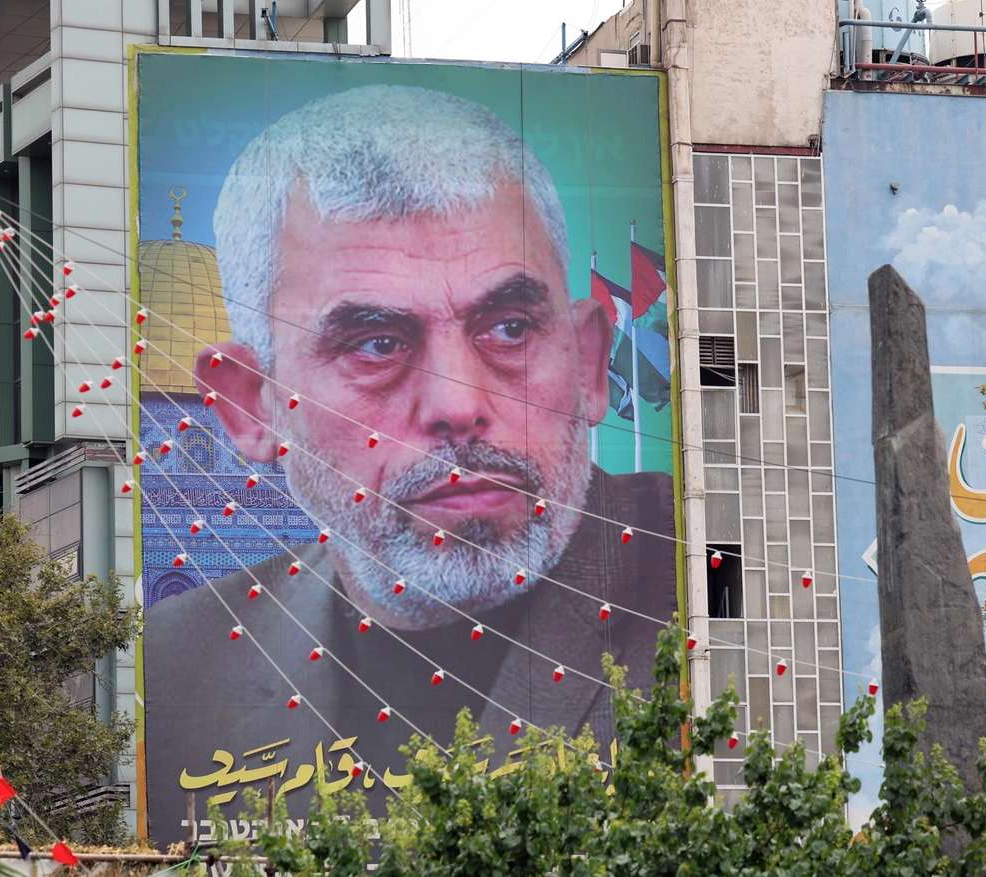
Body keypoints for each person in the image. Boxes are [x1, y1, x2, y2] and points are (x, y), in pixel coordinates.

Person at [141, 85, 676, 841]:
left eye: (510, 327)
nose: (456, 405)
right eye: (377, 344)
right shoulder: (174, 665)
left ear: (589, 364)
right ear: (252, 406)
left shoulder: (722, 602)